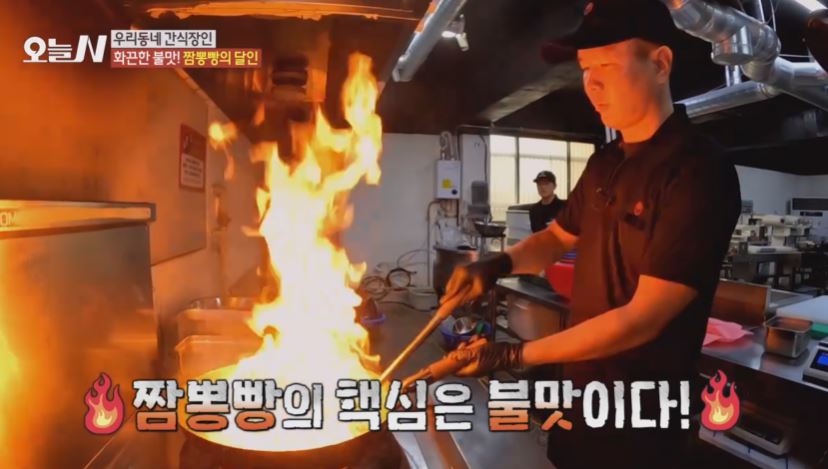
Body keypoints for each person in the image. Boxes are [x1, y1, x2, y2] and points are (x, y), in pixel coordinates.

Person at [440, 1, 742, 467]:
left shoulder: (699, 169)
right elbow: (556, 238)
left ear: (660, 63)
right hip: (581, 395)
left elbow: (642, 319)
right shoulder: (605, 161)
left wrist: (516, 355)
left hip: (644, 414)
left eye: (606, 65)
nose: (591, 84)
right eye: (585, 68)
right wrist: (497, 264)